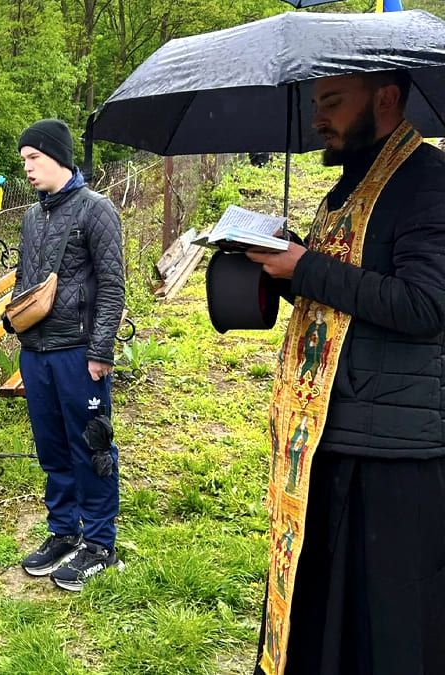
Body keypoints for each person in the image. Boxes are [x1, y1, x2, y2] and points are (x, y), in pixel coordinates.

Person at [245, 70, 445, 675]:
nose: (317, 119)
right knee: (326, 611)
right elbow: (344, 301)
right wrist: (275, 265)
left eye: (332, 102)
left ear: (386, 98)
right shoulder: (348, 185)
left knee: (384, 629)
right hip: (331, 429)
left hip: (393, 452)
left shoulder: (426, 183)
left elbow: (424, 304)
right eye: (316, 104)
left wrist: (303, 267)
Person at [10, 119, 126, 591]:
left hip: (79, 355)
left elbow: (114, 286)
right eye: (23, 161)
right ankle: (63, 532)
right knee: (53, 449)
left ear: (58, 156)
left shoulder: (96, 210)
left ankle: (100, 544)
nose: (28, 169)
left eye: (33, 158)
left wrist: (100, 351)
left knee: (91, 447)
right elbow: (25, 277)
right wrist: (14, 325)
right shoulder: (32, 217)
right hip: (36, 354)